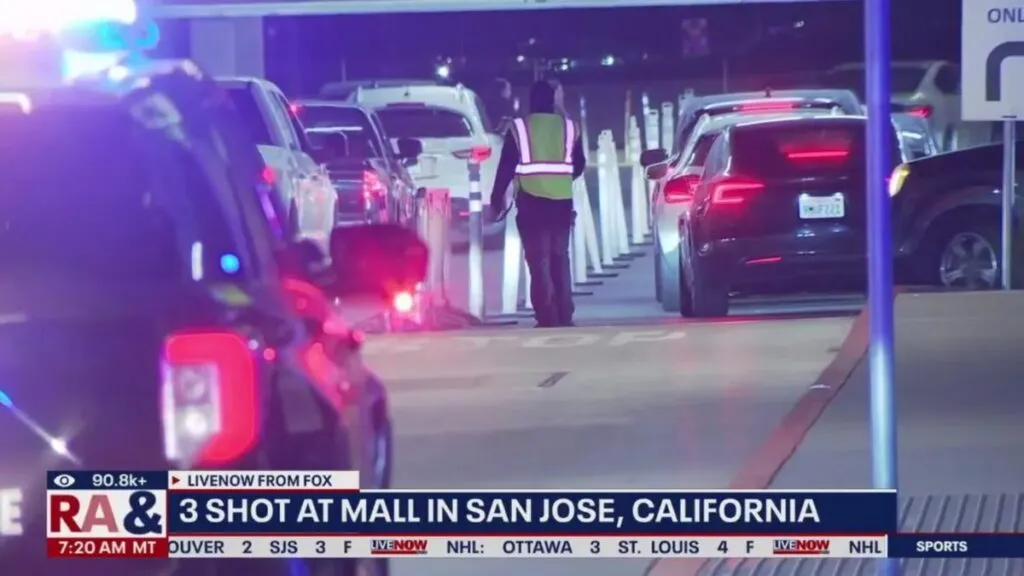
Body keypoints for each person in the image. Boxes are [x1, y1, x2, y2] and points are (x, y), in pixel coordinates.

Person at [490, 79, 586, 327]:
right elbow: (579, 165)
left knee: (538, 260)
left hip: (531, 202)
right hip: (562, 202)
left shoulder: (519, 128)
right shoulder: (569, 127)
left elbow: (506, 166)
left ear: (531, 101)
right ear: (553, 101)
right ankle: (565, 312)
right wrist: (560, 179)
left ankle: (547, 314)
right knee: (559, 256)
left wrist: (496, 197)